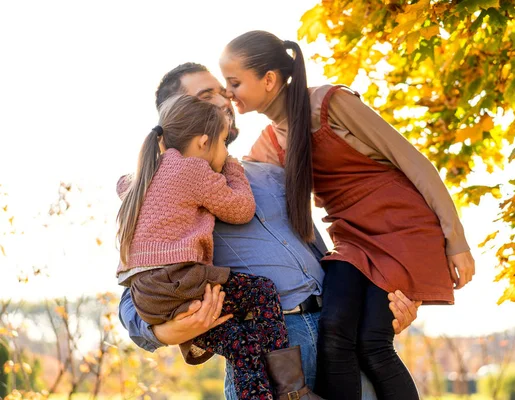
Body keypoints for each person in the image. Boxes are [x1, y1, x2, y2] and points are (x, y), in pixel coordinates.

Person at [118, 62, 421, 400]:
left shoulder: (270, 172)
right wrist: (166, 331)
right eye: (207, 97)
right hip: (272, 349)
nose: (224, 101)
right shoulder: (161, 193)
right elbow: (136, 290)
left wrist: (380, 303)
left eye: (223, 92)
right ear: (175, 116)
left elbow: (322, 249)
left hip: (340, 333)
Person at [219, 31, 476, 400]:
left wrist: (457, 241)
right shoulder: (270, 144)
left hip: (402, 228)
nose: (229, 93)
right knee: (333, 331)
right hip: (352, 240)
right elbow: (231, 181)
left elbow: (414, 162)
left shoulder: (329, 103)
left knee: (373, 343)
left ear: (269, 80)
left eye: (234, 83)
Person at [116, 94, 322, 400]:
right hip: (182, 281)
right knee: (262, 292)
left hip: (151, 295)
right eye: (224, 143)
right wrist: (232, 169)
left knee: (242, 343)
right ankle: (292, 390)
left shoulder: (141, 177)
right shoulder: (193, 171)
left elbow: (123, 184)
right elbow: (240, 210)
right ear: (202, 142)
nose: (226, 150)